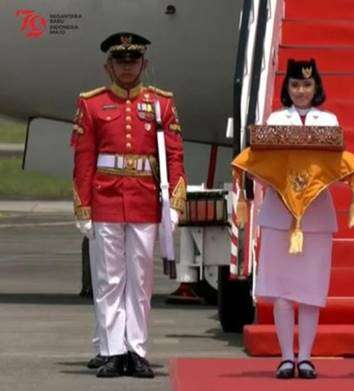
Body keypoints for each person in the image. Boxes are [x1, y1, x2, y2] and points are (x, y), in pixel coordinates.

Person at [72, 32, 186, 378]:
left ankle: (136, 350)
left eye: (133, 61)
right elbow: (84, 158)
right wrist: (83, 206)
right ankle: (112, 351)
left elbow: (175, 155)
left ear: (143, 64)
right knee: (109, 280)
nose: (127, 67)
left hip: (144, 200)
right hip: (105, 199)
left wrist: (175, 203)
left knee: (140, 281)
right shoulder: (91, 104)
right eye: (120, 61)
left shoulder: (161, 103)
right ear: (109, 66)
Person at [253, 59, 338, 379]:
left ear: (316, 88)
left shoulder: (328, 120)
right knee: (283, 290)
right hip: (280, 212)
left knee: (311, 290)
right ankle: (286, 356)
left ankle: (306, 356)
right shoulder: (276, 119)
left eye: (307, 85)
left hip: (316, 213)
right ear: (286, 88)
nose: (301, 91)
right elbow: (263, 165)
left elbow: (335, 166)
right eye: (295, 85)